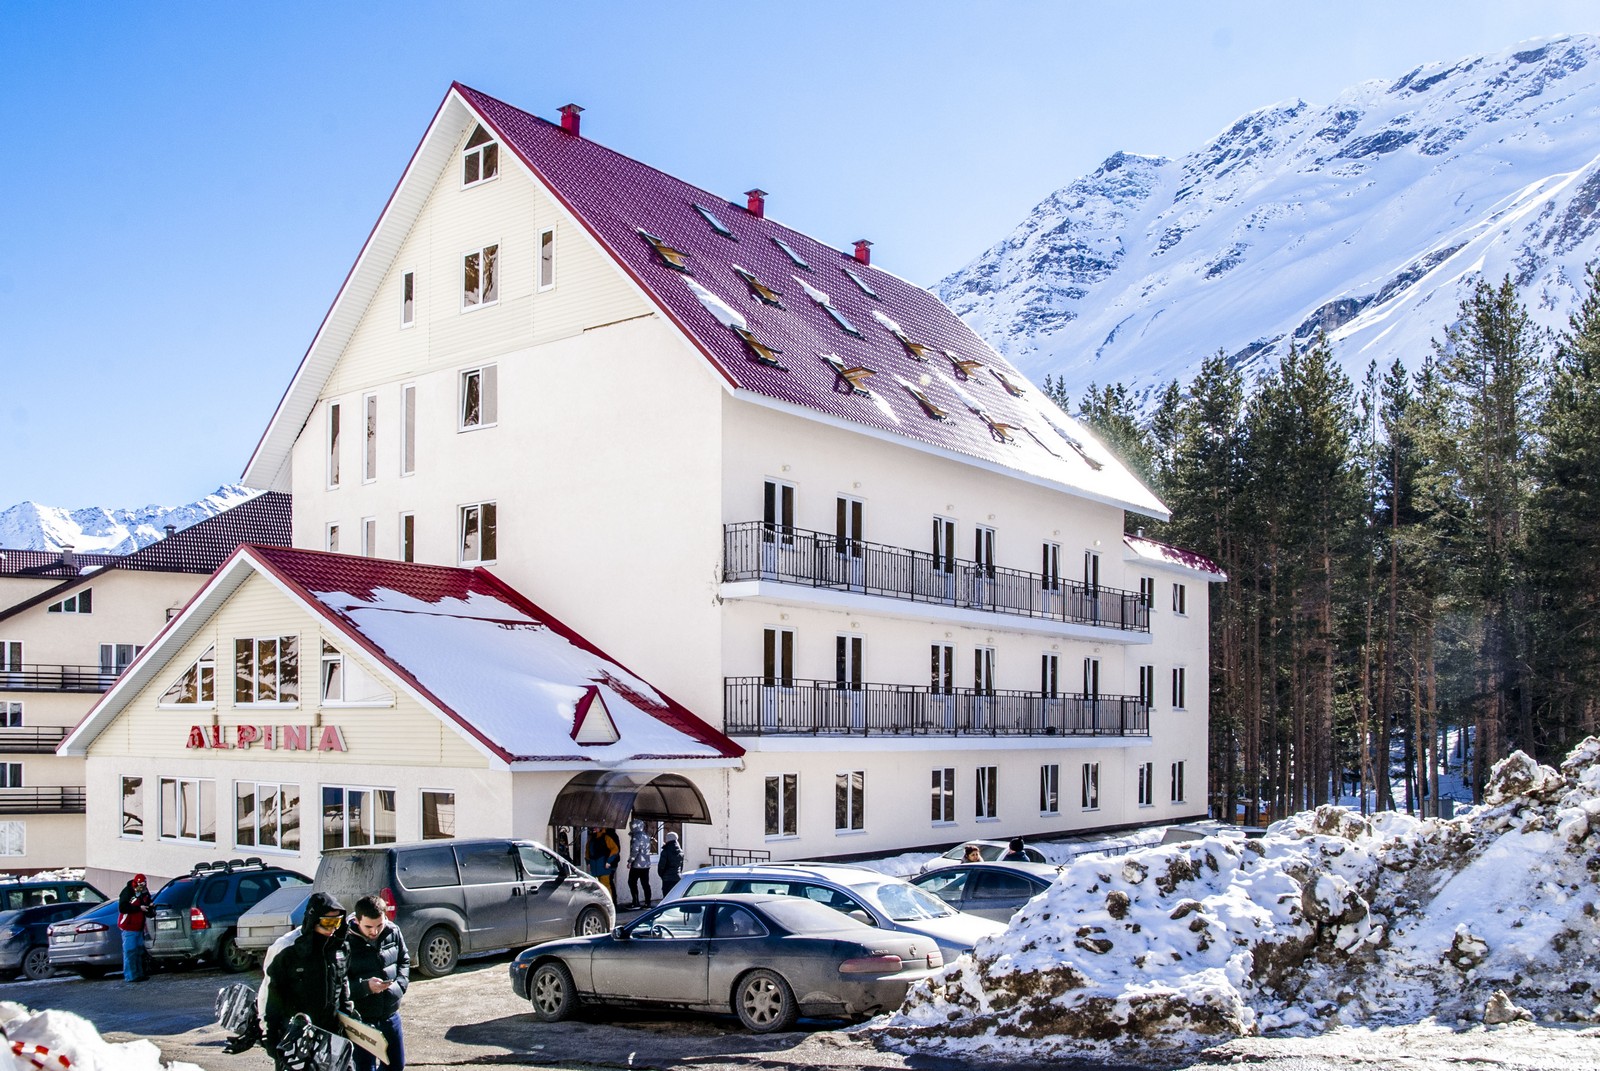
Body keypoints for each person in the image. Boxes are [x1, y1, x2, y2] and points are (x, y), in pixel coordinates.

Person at [228, 891, 354, 1070]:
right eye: (328, 922)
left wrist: (349, 1018)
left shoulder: (339, 947)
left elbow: (342, 984)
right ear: (313, 919)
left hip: (330, 1034)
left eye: (337, 922)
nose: (333, 928)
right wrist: (269, 1034)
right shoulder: (287, 948)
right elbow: (270, 993)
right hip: (295, 1035)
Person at [346, 895, 409, 1071]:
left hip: (390, 1013)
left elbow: (404, 961)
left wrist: (399, 987)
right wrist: (365, 987)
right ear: (357, 920)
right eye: (368, 927)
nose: (374, 932)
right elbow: (339, 984)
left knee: (396, 1065)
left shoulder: (393, 931)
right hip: (361, 1018)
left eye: (379, 925)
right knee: (364, 1067)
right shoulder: (344, 942)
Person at [116, 873, 153, 983]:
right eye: (140, 885)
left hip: (139, 927)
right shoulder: (127, 892)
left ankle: (139, 974)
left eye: (144, 884)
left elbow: (148, 904)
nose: (142, 887)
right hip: (129, 926)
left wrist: (150, 908)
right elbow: (122, 907)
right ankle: (131, 976)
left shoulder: (145, 892)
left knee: (139, 951)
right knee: (130, 951)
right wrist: (139, 908)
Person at [625, 819, 654, 909]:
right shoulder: (646, 836)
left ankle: (635, 902)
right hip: (646, 864)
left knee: (632, 882)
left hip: (637, 864)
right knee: (645, 884)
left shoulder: (636, 836)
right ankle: (648, 903)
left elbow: (635, 850)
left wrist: (630, 861)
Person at [586, 827, 620, 900]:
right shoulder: (591, 839)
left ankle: (608, 902)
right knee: (596, 887)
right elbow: (587, 851)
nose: (594, 829)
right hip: (594, 867)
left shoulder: (606, 837)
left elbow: (615, 849)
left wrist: (609, 861)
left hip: (603, 866)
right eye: (593, 828)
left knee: (605, 886)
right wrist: (588, 862)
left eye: (596, 827)